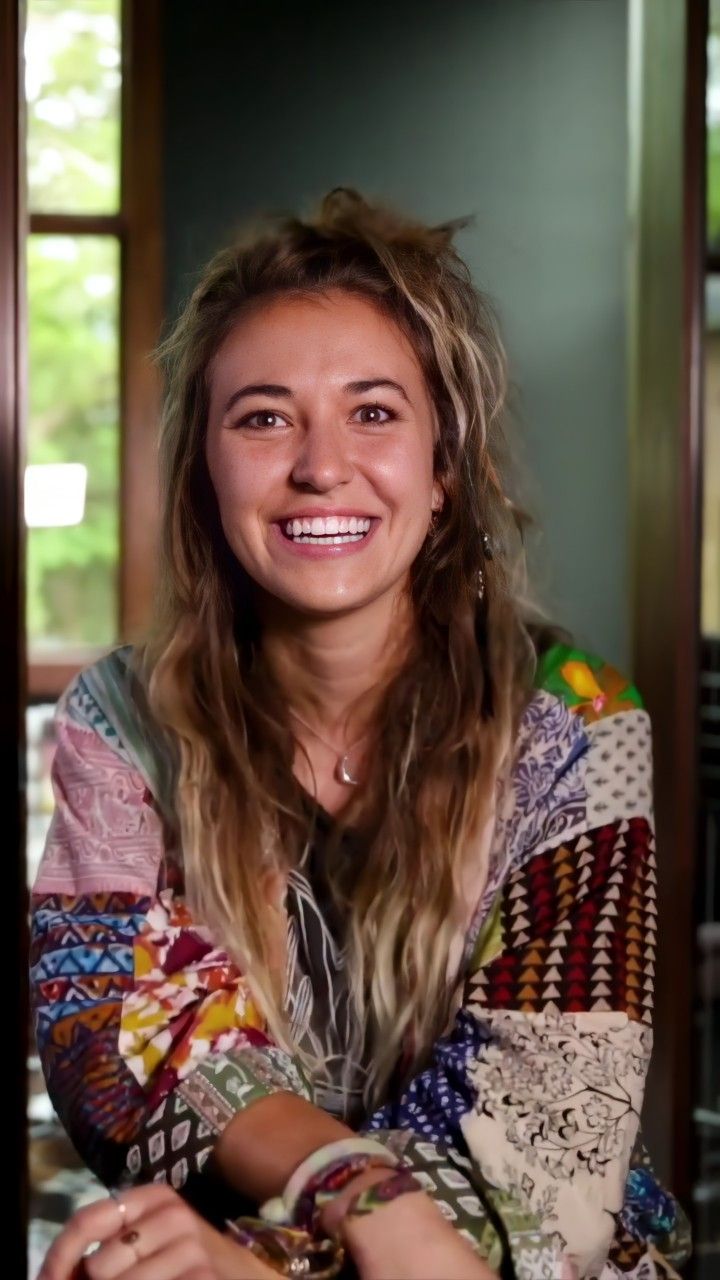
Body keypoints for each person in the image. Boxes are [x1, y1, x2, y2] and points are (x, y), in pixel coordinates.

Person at [31, 189, 689, 1280]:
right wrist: (351, 1186)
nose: (320, 464)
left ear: (443, 470)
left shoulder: (576, 721)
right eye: (263, 416)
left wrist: (273, 1266)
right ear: (205, 471)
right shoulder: (120, 720)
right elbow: (120, 1045)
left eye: (374, 412)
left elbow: (539, 1153)